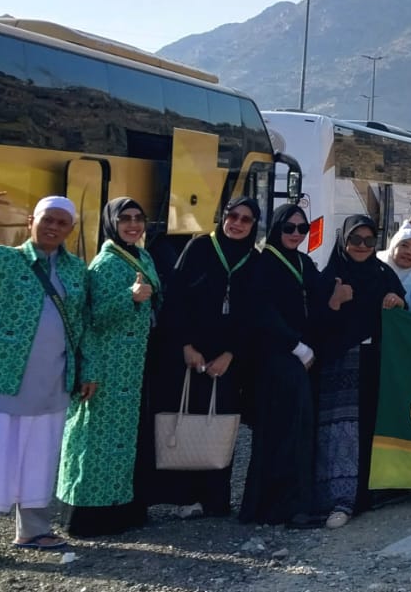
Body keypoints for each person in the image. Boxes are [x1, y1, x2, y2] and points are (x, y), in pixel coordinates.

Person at [0, 194, 89, 567]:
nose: (53, 227)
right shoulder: (1, 259)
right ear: (31, 221)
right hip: (1, 379)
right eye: (47, 219)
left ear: (70, 229)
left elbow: (83, 324)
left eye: (62, 222)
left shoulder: (76, 270)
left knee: (40, 458)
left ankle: (32, 530)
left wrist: (87, 370)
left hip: (52, 381)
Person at [142, 197, 260, 520]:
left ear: (254, 226)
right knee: (187, 419)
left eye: (246, 220)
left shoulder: (254, 260)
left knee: (219, 425)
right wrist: (185, 346)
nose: (237, 224)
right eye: (233, 216)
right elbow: (176, 299)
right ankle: (185, 497)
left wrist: (231, 354)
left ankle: (216, 499)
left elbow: (254, 316)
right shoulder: (199, 248)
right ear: (223, 217)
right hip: (190, 354)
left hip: (227, 360)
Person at [58, 198, 158, 538]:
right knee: (96, 440)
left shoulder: (142, 256)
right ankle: (88, 517)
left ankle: (124, 510)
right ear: (111, 223)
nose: (133, 224)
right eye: (125, 218)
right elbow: (91, 317)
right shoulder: (104, 263)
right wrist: (130, 297)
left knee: (126, 441)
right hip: (108, 366)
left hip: (135, 364)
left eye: (138, 218)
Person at [308, 215, 406, 529]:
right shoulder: (330, 277)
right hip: (340, 364)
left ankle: (370, 492)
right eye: (355, 239)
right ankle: (339, 497)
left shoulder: (383, 273)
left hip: (376, 361)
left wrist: (397, 302)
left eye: (368, 240)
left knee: (372, 425)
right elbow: (314, 325)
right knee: (342, 432)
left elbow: (403, 310)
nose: (362, 246)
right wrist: (335, 302)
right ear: (343, 241)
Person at [234, 204, 317, 527]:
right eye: (289, 228)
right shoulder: (263, 263)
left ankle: (292, 503)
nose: (296, 234)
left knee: (296, 432)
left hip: (297, 358)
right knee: (277, 434)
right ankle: (274, 507)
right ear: (277, 228)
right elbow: (261, 312)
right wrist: (296, 346)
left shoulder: (302, 261)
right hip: (274, 358)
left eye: (302, 229)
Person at [380, 225, 411, 312]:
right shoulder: (377, 268)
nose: (409, 252)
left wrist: (401, 304)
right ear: (393, 247)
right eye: (404, 245)